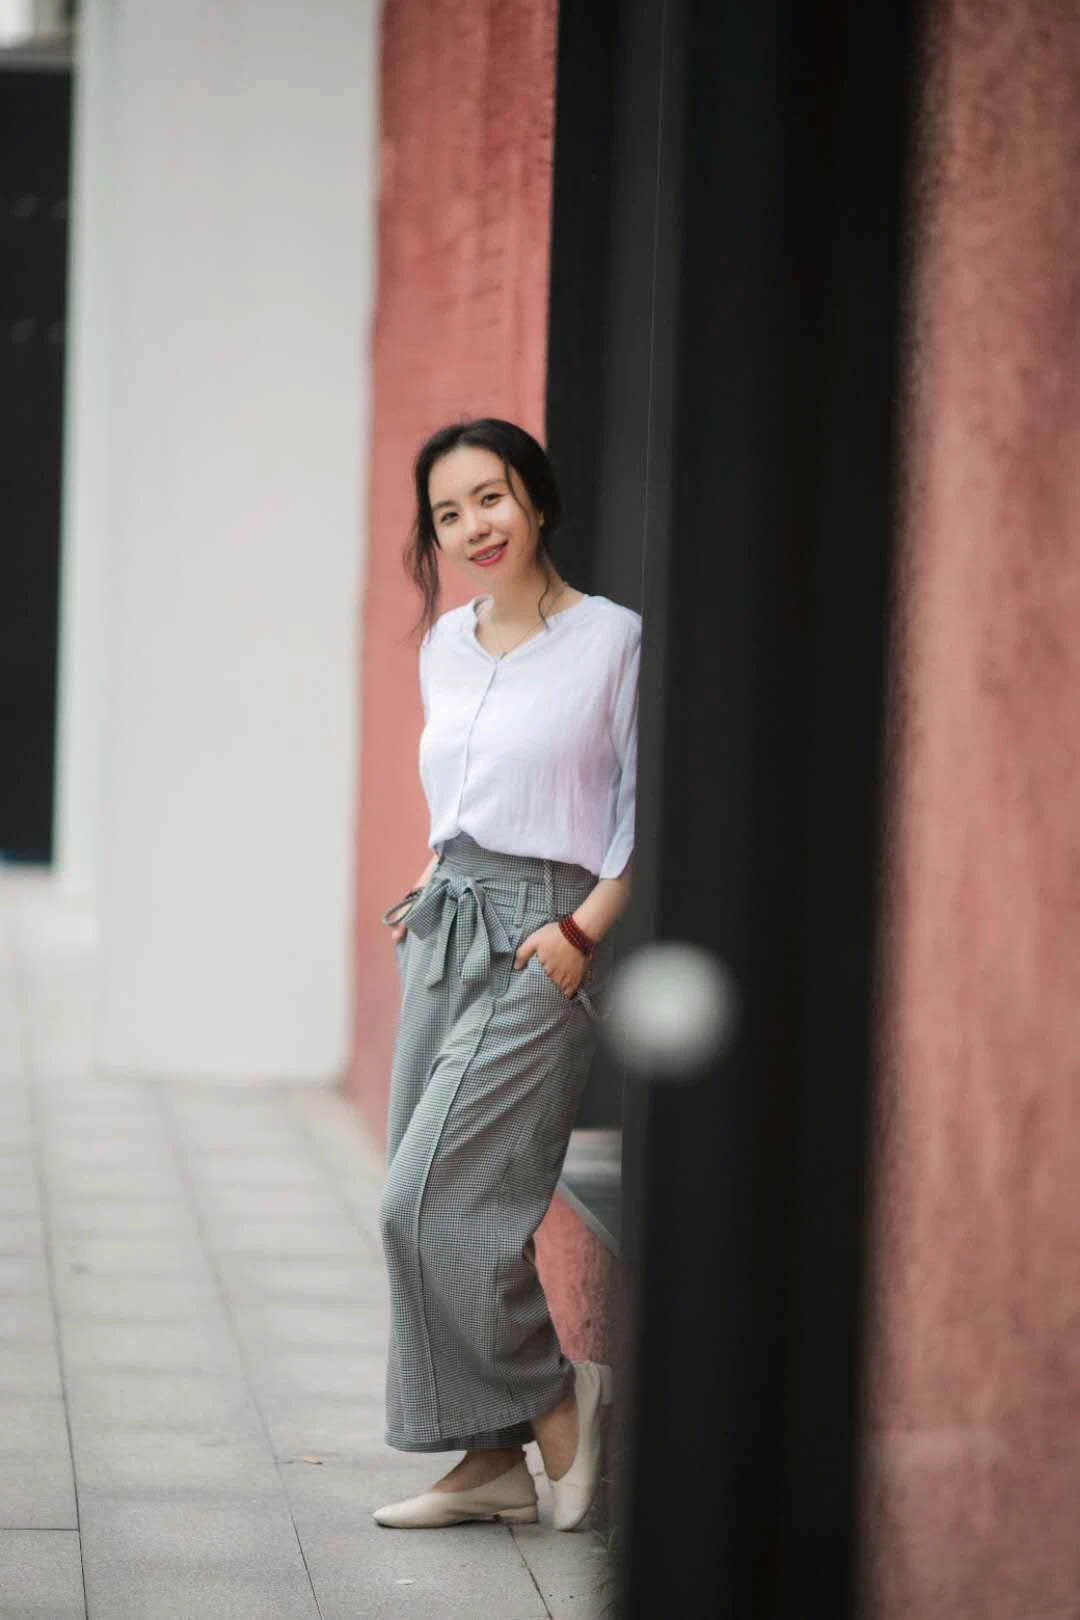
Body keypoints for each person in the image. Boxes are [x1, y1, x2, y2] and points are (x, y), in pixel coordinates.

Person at [373, 417, 640, 1532]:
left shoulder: (612, 639)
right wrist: (429, 878)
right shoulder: (446, 642)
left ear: (534, 497)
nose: (473, 525)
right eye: (448, 513)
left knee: (423, 1200)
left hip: (549, 931)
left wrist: (582, 932)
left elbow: (646, 807)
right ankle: (486, 1461)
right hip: (448, 922)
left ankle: (561, 1400)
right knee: (441, 1191)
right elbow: (465, 789)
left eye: (490, 497)